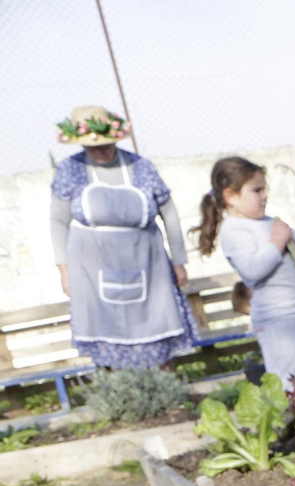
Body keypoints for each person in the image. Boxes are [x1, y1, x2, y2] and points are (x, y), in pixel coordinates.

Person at [48, 105, 200, 369]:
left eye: (105, 145)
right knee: (106, 332)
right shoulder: (70, 170)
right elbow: (58, 221)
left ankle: (167, 389)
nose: (99, 151)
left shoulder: (140, 166)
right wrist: (64, 270)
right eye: (92, 147)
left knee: (157, 324)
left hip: (148, 265)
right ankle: (120, 394)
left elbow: (169, 211)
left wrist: (179, 260)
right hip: (92, 272)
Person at [194, 156, 295, 389]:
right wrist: (277, 243)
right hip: (278, 321)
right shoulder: (234, 231)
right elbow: (252, 271)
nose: (264, 195)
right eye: (256, 190)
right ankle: (284, 425)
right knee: (285, 385)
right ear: (231, 196)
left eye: (264, 189)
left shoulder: (268, 222)